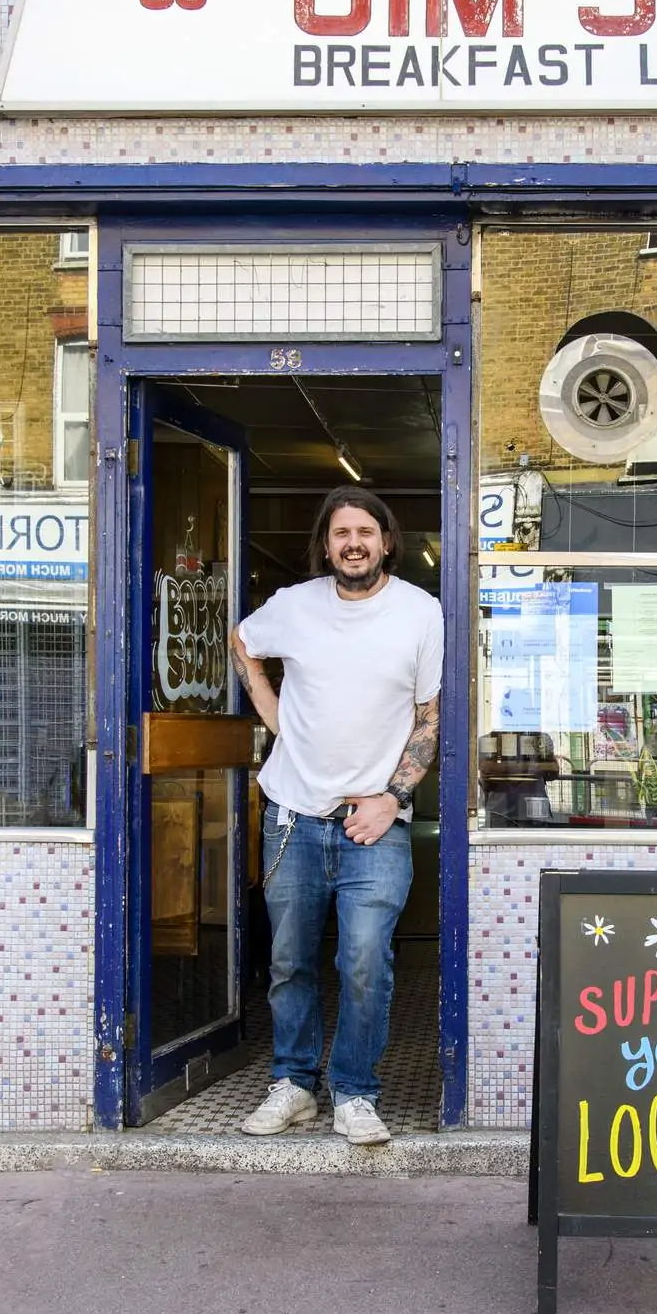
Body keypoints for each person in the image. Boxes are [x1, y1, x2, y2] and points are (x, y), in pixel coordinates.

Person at [229, 485, 443, 1144]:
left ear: (385, 541)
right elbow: (243, 641)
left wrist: (392, 798)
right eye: (340, 532)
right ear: (326, 545)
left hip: (374, 823)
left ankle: (353, 1090)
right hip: (292, 813)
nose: (353, 542)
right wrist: (275, 717)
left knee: (362, 959)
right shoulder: (295, 606)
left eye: (365, 532)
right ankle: (293, 1085)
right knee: (291, 958)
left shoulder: (419, 612)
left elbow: (430, 717)